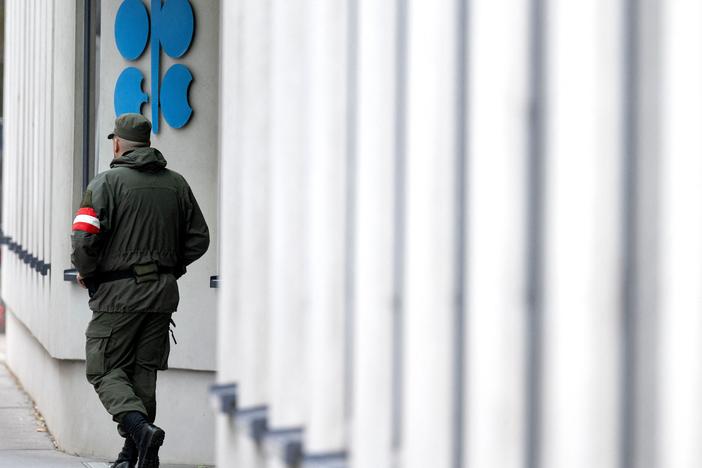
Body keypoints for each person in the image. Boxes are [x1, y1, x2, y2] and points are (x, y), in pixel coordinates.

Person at [71, 113, 210, 468]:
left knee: (102, 369)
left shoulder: (105, 183)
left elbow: (85, 237)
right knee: (142, 373)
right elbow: (199, 239)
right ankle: (135, 455)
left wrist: (88, 274)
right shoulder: (177, 184)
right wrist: (169, 269)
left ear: (117, 143)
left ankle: (138, 430)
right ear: (148, 144)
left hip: (118, 295)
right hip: (162, 295)